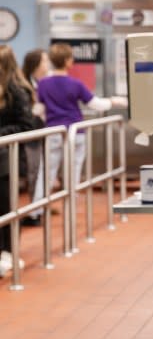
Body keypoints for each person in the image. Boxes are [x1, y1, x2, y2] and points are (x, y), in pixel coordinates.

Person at [31, 43, 127, 219]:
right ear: (68, 61)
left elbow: (38, 110)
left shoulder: (43, 84)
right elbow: (96, 104)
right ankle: (70, 207)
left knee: (47, 173)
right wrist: (114, 101)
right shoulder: (75, 84)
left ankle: (36, 210)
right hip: (75, 133)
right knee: (73, 173)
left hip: (53, 132)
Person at [0, 45, 38, 277]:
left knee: (6, 207)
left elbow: (26, 125)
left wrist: (1, 134)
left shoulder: (17, 91)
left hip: (6, 159)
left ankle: (9, 251)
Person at [20, 48, 49, 226]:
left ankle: (37, 208)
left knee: (38, 171)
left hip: (40, 133)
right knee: (33, 172)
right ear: (36, 63)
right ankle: (34, 212)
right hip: (30, 135)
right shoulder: (25, 85)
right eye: (44, 61)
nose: (47, 64)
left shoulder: (40, 82)